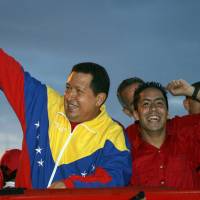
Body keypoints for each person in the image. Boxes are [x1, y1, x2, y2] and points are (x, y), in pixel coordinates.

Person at [0, 49, 131, 189]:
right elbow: (6, 69)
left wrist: (70, 186)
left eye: (79, 91)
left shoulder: (113, 134)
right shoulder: (43, 102)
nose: (69, 96)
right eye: (68, 88)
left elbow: (115, 178)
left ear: (99, 99)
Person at [128, 80, 200, 189]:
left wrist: (191, 91)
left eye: (159, 103)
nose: (153, 108)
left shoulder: (186, 133)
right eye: (146, 104)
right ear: (136, 114)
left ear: (167, 113)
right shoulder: (126, 148)